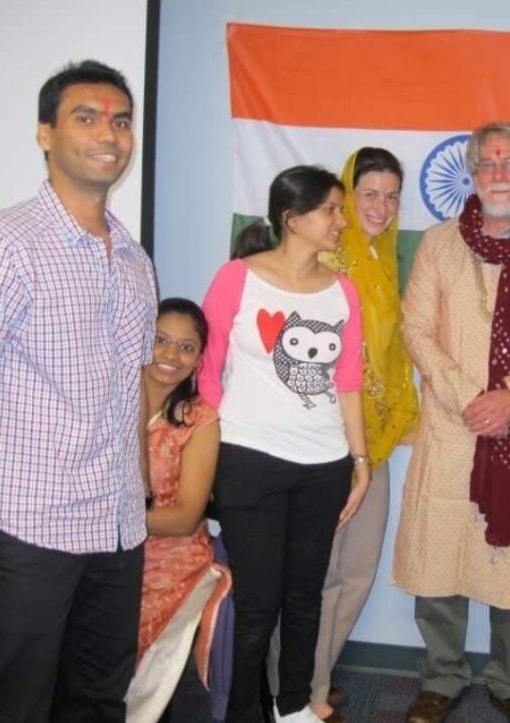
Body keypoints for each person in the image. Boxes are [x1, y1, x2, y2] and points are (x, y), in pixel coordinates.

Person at [0, 60, 156, 721]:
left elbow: (132, 388)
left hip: (116, 527)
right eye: (85, 117)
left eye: (120, 120)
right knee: (17, 704)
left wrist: (139, 497)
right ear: (45, 133)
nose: (109, 135)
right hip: (27, 528)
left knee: (95, 698)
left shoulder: (132, 256)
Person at [392, 121, 510, 723]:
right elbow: (416, 330)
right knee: (440, 555)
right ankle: (442, 676)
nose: (499, 173)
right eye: (488, 163)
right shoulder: (439, 242)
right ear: (472, 174)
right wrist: (469, 400)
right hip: (453, 427)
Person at [199, 165, 369, 723]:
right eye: (331, 211)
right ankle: (242, 712)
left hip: (324, 465)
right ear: (291, 218)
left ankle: (294, 706)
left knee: (304, 598)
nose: (342, 221)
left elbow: (347, 381)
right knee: (256, 604)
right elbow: (207, 371)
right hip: (249, 461)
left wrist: (359, 460)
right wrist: (205, 451)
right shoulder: (236, 278)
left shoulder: (343, 291)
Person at [309, 147, 418, 721]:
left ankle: (315, 679)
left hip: (371, 444)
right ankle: (302, 690)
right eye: (369, 193)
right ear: (348, 197)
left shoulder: (382, 259)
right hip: (325, 442)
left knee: (358, 571)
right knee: (320, 573)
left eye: (391, 196)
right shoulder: (327, 258)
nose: (380, 206)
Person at [125, 298, 226, 723]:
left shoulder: (199, 418)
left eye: (186, 347)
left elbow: (186, 517)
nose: (170, 355)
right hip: (101, 563)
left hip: (176, 569)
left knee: (178, 672)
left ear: (200, 357)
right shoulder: (106, 400)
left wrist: (110, 519)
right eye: (160, 340)